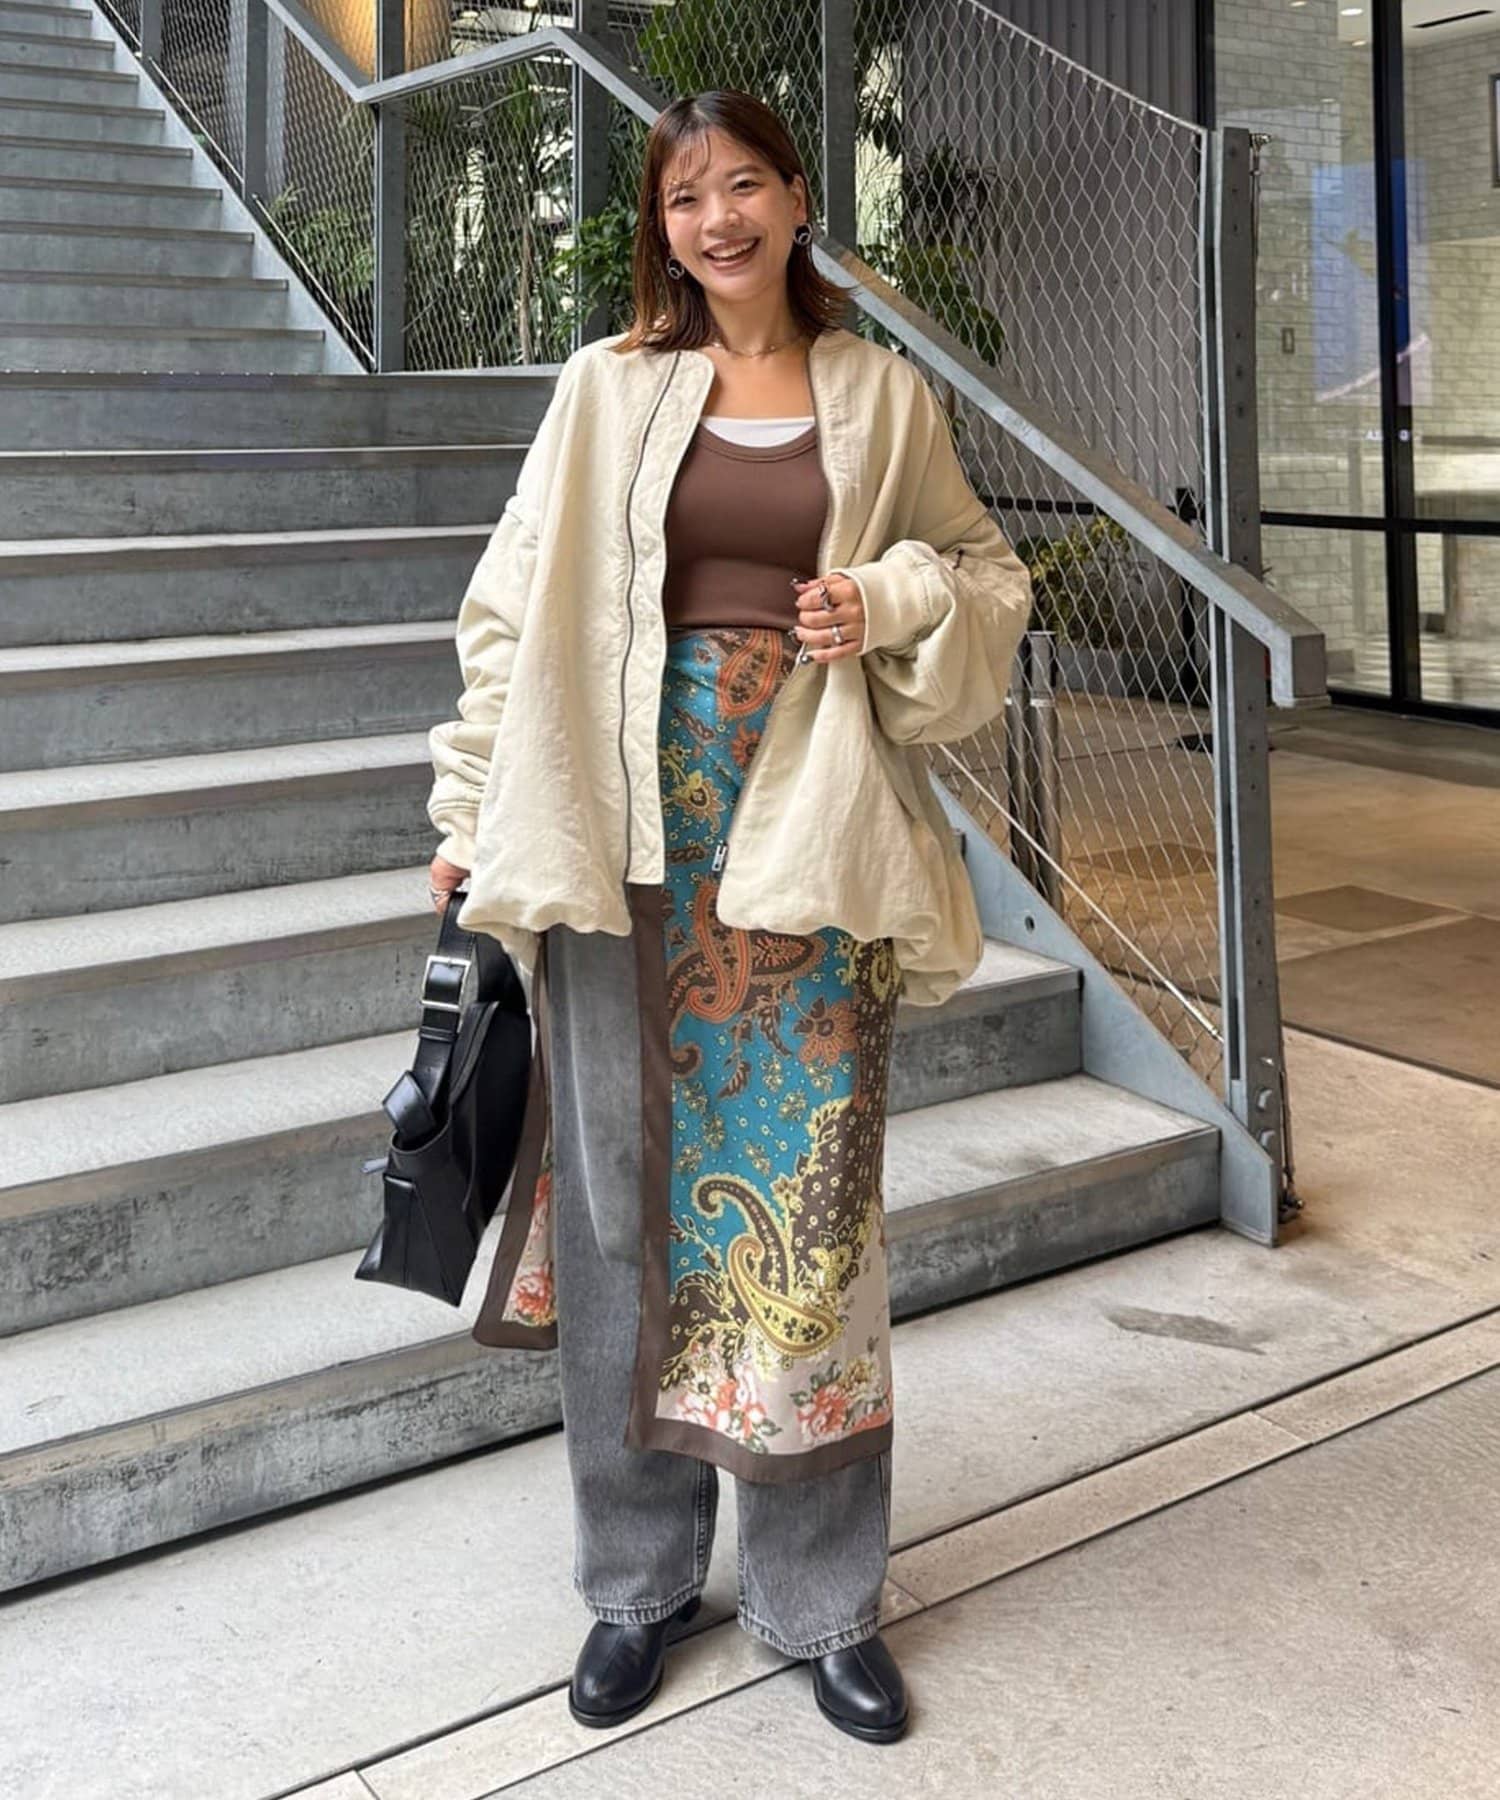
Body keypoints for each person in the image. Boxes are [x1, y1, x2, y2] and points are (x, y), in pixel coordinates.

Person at [424, 89, 1032, 1746]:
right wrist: (469, 814)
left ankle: (821, 1600)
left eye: (745, 184)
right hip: (623, 837)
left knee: (814, 1221)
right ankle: (633, 1586)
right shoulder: (605, 388)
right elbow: (507, 611)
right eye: (687, 197)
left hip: (813, 843)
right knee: (621, 1209)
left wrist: (884, 597)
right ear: (662, 227)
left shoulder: (880, 393)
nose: (719, 220)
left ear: (797, 196)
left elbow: (985, 574)